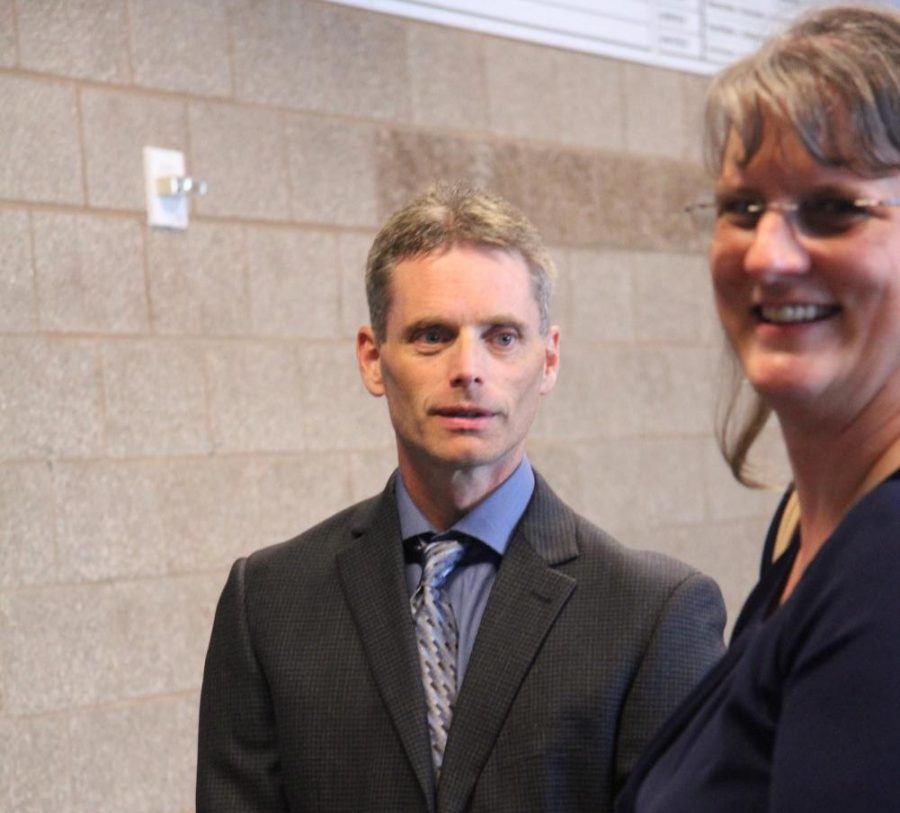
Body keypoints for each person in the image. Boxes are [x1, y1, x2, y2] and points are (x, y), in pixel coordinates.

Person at [196, 183, 725, 813]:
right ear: (372, 358)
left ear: (548, 360)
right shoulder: (269, 603)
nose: (467, 368)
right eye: (431, 335)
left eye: (502, 337)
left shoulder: (654, 615)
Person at [616, 6, 900, 812]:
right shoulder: (806, 531)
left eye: (834, 208)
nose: (769, 256)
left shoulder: (887, 562)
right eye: (742, 207)